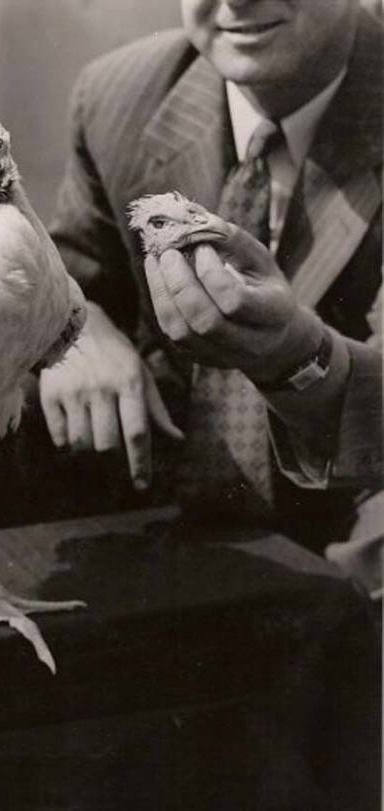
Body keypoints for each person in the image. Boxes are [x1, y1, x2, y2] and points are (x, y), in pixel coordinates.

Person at [39, 0, 382, 592]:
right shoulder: (118, 95)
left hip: (356, 498)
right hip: (175, 490)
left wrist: (295, 354)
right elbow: (68, 272)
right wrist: (77, 329)